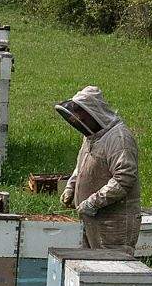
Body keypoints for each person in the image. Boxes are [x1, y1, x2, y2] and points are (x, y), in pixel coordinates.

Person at [54, 86, 142, 252]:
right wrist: (70, 188)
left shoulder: (119, 138)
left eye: (82, 118)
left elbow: (124, 178)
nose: (79, 123)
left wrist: (93, 202)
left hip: (114, 223)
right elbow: (80, 167)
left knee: (113, 270)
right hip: (91, 220)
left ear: (93, 113)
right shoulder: (91, 137)